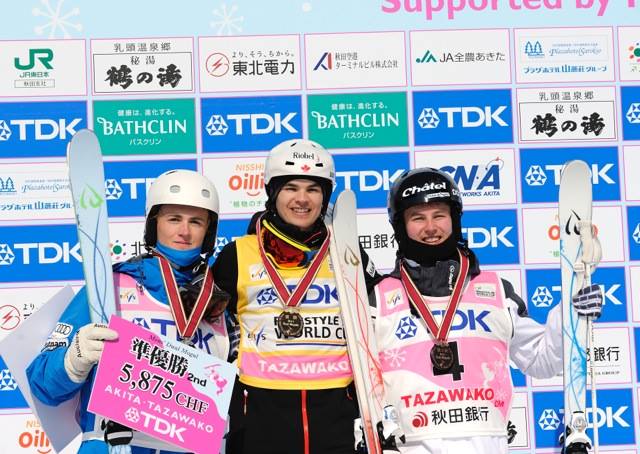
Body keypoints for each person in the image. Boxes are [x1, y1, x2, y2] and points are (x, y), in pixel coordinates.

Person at [368, 167, 603, 454]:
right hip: (409, 444)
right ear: (400, 226)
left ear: (455, 220)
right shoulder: (377, 298)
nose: (430, 227)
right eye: (418, 217)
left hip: (485, 444)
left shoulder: (495, 290)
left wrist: (569, 314)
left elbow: (543, 362)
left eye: (439, 215)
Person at [27, 169, 231, 453]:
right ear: (153, 225)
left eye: (195, 221)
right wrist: (76, 358)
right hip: (115, 444)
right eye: (173, 219)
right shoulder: (109, 287)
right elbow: (42, 385)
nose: (184, 231)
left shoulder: (216, 306)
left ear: (208, 232)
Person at [213, 138, 379, 454]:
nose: (302, 199)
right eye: (291, 188)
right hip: (259, 415)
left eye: (313, 190)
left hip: (337, 415)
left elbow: (382, 322)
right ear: (273, 193)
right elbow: (204, 330)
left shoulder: (348, 253)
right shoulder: (237, 255)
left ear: (325, 196)